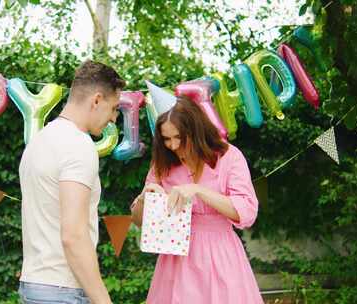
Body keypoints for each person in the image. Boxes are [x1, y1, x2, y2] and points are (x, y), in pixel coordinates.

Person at [131, 96, 263, 303]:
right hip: (176, 260)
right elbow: (139, 220)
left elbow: (246, 212)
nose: (173, 145)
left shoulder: (229, 156)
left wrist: (198, 190)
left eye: (179, 137)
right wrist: (145, 198)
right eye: (166, 139)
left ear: (196, 131)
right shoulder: (162, 163)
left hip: (220, 254)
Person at [18, 60, 125, 304]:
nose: (114, 118)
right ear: (96, 100)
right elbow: (73, 235)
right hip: (62, 290)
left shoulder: (40, 140)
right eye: (114, 108)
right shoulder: (78, 145)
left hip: (34, 284)